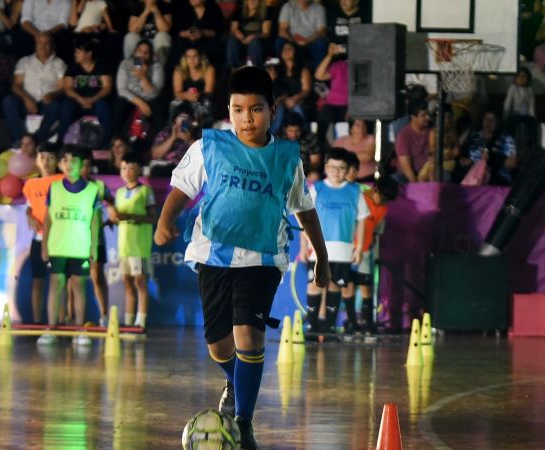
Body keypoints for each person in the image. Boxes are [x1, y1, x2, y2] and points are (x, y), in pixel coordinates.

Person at [154, 66, 330, 449]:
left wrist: (323, 256)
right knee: (219, 346)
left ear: (271, 110)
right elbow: (183, 188)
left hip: (263, 258)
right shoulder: (209, 147)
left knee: (249, 337)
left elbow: (304, 209)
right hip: (212, 256)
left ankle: (243, 422)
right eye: (237, 110)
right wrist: (165, 220)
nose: (246, 118)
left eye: (255, 110)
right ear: (228, 109)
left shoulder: (286, 158)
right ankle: (235, 383)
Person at [38, 145, 101, 346]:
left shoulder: (92, 190)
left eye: (74, 160)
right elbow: (47, 219)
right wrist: (44, 245)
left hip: (80, 247)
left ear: (82, 165)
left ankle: (80, 329)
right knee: (56, 286)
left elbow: (95, 222)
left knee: (79, 286)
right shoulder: (54, 188)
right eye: (65, 160)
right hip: (57, 246)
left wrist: (94, 248)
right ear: (60, 164)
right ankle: (51, 328)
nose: (69, 164)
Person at [300, 148, 367, 335]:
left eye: (341, 168)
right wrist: (305, 246)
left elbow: (361, 220)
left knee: (335, 285)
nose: (337, 172)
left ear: (348, 170)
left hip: (344, 250)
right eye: (333, 167)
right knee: (315, 283)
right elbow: (305, 219)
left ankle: (329, 327)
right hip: (318, 248)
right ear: (326, 167)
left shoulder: (355, 191)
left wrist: (359, 247)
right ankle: (312, 327)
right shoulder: (316, 189)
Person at [345, 164, 397, 334]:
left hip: (365, 252)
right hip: (347, 250)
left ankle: (367, 323)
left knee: (366, 288)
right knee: (348, 286)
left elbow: (376, 232)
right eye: (382, 197)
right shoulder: (358, 197)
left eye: (386, 200)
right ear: (375, 190)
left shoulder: (383, 210)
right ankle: (352, 323)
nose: (382, 202)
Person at [115, 153, 156, 328]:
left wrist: (130, 216)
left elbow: (153, 218)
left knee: (140, 282)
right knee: (127, 283)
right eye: (124, 168)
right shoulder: (119, 192)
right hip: (123, 245)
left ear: (139, 170)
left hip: (139, 245)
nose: (127, 172)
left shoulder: (146, 191)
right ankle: (128, 319)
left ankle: (142, 319)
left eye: (131, 168)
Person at [21, 142, 60, 324]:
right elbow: (29, 206)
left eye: (50, 157)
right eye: (42, 157)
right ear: (36, 160)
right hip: (37, 238)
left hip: (58, 239)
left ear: (57, 161)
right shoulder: (31, 183)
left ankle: (60, 322)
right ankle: (37, 322)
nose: (45, 161)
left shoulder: (62, 180)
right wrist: (28, 214)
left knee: (58, 283)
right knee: (37, 280)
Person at [3, 33, 66, 145]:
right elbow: (16, 85)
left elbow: (63, 88)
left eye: (47, 43)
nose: (43, 45)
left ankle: (37, 140)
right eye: (40, 42)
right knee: (8, 101)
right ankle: (21, 139)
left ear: (53, 46)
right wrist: (27, 99)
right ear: (35, 45)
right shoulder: (24, 61)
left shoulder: (60, 64)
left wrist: (53, 94)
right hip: (26, 101)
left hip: (47, 102)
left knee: (56, 106)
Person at [80, 157, 117, 327]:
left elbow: (112, 203)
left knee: (96, 275)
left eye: (87, 166)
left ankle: (104, 317)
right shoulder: (65, 187)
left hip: (96, 239)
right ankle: (73, 319)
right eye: (81, 166)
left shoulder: (99, 186)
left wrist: (110, 212)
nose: (84, 169)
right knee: (75, 279)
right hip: (73, 239)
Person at [58, 38, 114, 146]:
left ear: (88, 54)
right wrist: (80, 99)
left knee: (103, 106)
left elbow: (107, 87)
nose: (75, 54)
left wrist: (93, 99)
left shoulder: (102, 65)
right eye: (76, 52)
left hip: (96, 100)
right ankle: (61, 142)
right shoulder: (72, 67)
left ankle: (105, 144)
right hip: (77, 101)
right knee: (67, 106)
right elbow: (67, 88)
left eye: (78, 52)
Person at [112, 39, 166, 140]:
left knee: (159, 102)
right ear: (134, 52)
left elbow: (154, 93)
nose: (142, 55)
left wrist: (143, 77)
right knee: (119, 102)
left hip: (149, 99)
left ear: (151, 55)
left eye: (146, 52)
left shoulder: (156, 67)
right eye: (140, 51)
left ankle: (159, 140)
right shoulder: (126, 64)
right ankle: (117, 139)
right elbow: (122, 90)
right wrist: (140, 102)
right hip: (131, 99)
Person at [275, 0, 327, 70]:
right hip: (292, 40)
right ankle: (282, 72)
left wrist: (307, 41)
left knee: (321, 43)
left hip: (311, 41)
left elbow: (321, 31)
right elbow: (282, 30)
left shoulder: (319, 8)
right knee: (280, 41)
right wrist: (293, 42)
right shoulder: (288, 6)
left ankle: (318, 76)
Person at [225, 0, 271, 69]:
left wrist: (253, 36)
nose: (252, 1)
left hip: (257, 39)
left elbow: (266, 33)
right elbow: (233, 29)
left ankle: (257, 70)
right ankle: (232, 69)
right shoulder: (239, 11)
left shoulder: (266, 12)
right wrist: (240, 36)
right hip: (241, 39)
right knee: (232, 42)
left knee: (255, 44)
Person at [124, 0, 172, 66]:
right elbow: (132, 29)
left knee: (163, 35)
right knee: (130, 36)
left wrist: (156, 11)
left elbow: (164, 29)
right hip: (141, 41)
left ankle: (161, 70)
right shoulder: (138, 6)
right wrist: (146, 12)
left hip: (156, 42)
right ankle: (136, 67)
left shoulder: (164, 5)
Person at [394, 100, 431, 183]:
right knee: (396, 180)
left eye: (428, 114)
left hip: (429, 171)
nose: (428, 117)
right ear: (413, 117)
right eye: (423, 115)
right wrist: (416, 186)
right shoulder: (403, 135)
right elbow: (406, 168)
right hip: (408, 175)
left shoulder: (432, 130)